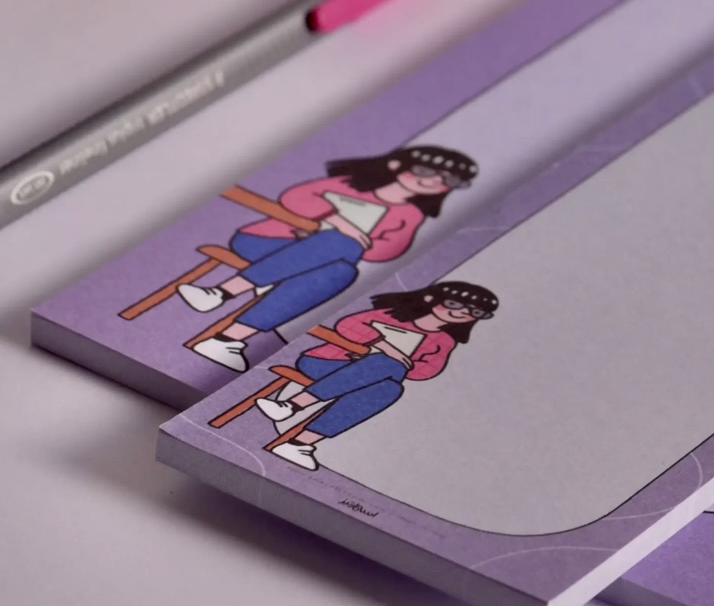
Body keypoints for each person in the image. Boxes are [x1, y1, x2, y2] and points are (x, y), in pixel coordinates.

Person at [180, 145, 478, 372]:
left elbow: (387, 250)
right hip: (266, 240)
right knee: (340, 244)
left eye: (446, 180)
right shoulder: (348, 184)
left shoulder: (409, 214)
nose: (432, 181)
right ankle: (222, 298)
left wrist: (344, 237)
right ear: (397, 164)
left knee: (342, 272)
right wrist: (339, 222)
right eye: (425, 171)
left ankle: (226, 334)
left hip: (322, 264)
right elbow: (295, 199)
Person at [258, 281, 499, 471]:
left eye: (474, 312)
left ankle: (298, 438)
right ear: (430, 298)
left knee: (390, 388)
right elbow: (347, 326)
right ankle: (294, 413)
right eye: (454, 304)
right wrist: (385, 347)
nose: (462, 313)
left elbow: (426, 371)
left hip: (374, 380)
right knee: (386, 364)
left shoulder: (444, 340)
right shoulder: (390, 315)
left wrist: (387, 361)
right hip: (325, 362)